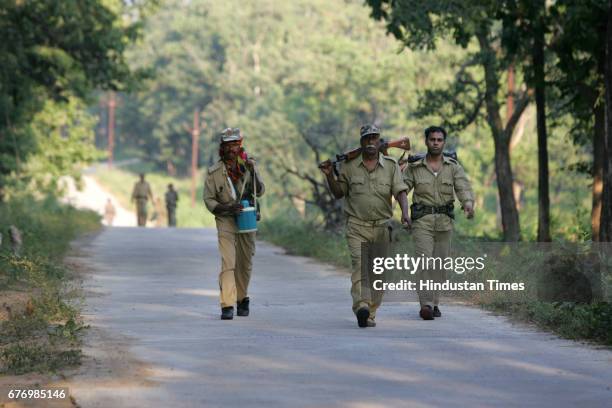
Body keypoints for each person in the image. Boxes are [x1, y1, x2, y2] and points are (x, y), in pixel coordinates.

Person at [320, 124, 410, 328]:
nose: (371, 142)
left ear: (379, 141)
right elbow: (338, 193)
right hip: (356, 226)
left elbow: (400, 191)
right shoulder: (349, 166)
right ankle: (361, 305)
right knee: (359, 267)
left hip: (381, 227)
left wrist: (405, 213)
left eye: (374, 138)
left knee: (378, 274)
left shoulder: (391, 165)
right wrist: (329, 175)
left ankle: (370, 312)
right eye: (367, 139)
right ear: (361, 142)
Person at [402, 126, 475, 320]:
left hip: (444, 222)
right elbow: (402, 188)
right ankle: (425, 304)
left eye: (439, 139)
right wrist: (401, 209)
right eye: (432, 139)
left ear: (444, 143)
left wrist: (467, 204)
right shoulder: (415, 168)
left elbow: (463, 187)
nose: (435, 142)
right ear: (426, 141)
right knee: (424, 261)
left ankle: (434, 303)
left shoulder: (453, 167)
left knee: (439, 265)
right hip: (422, 222)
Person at [204, 128, 265, 320]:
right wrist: (228, 207)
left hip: (246, 219)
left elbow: (260, 191)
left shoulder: (248, 166)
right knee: (228, 262)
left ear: (241, 145)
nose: (232, 148)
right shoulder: (214, 172)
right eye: (228, 145)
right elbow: (209, 201)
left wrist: (253, 170)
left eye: (235, 144)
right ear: (222, 147)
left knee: (245, 264)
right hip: (226, 219)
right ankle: (227, 304)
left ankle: (241, 298)